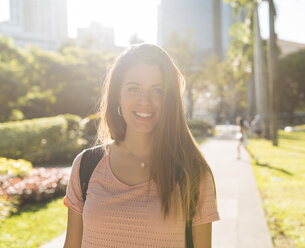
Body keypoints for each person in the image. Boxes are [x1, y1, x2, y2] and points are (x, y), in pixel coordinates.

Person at [63, 44, 219, 248]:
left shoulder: (193, 173)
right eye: (133, 89)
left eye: (157, 90)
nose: (145, 101)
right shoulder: (86, 166)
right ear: (118, 95)